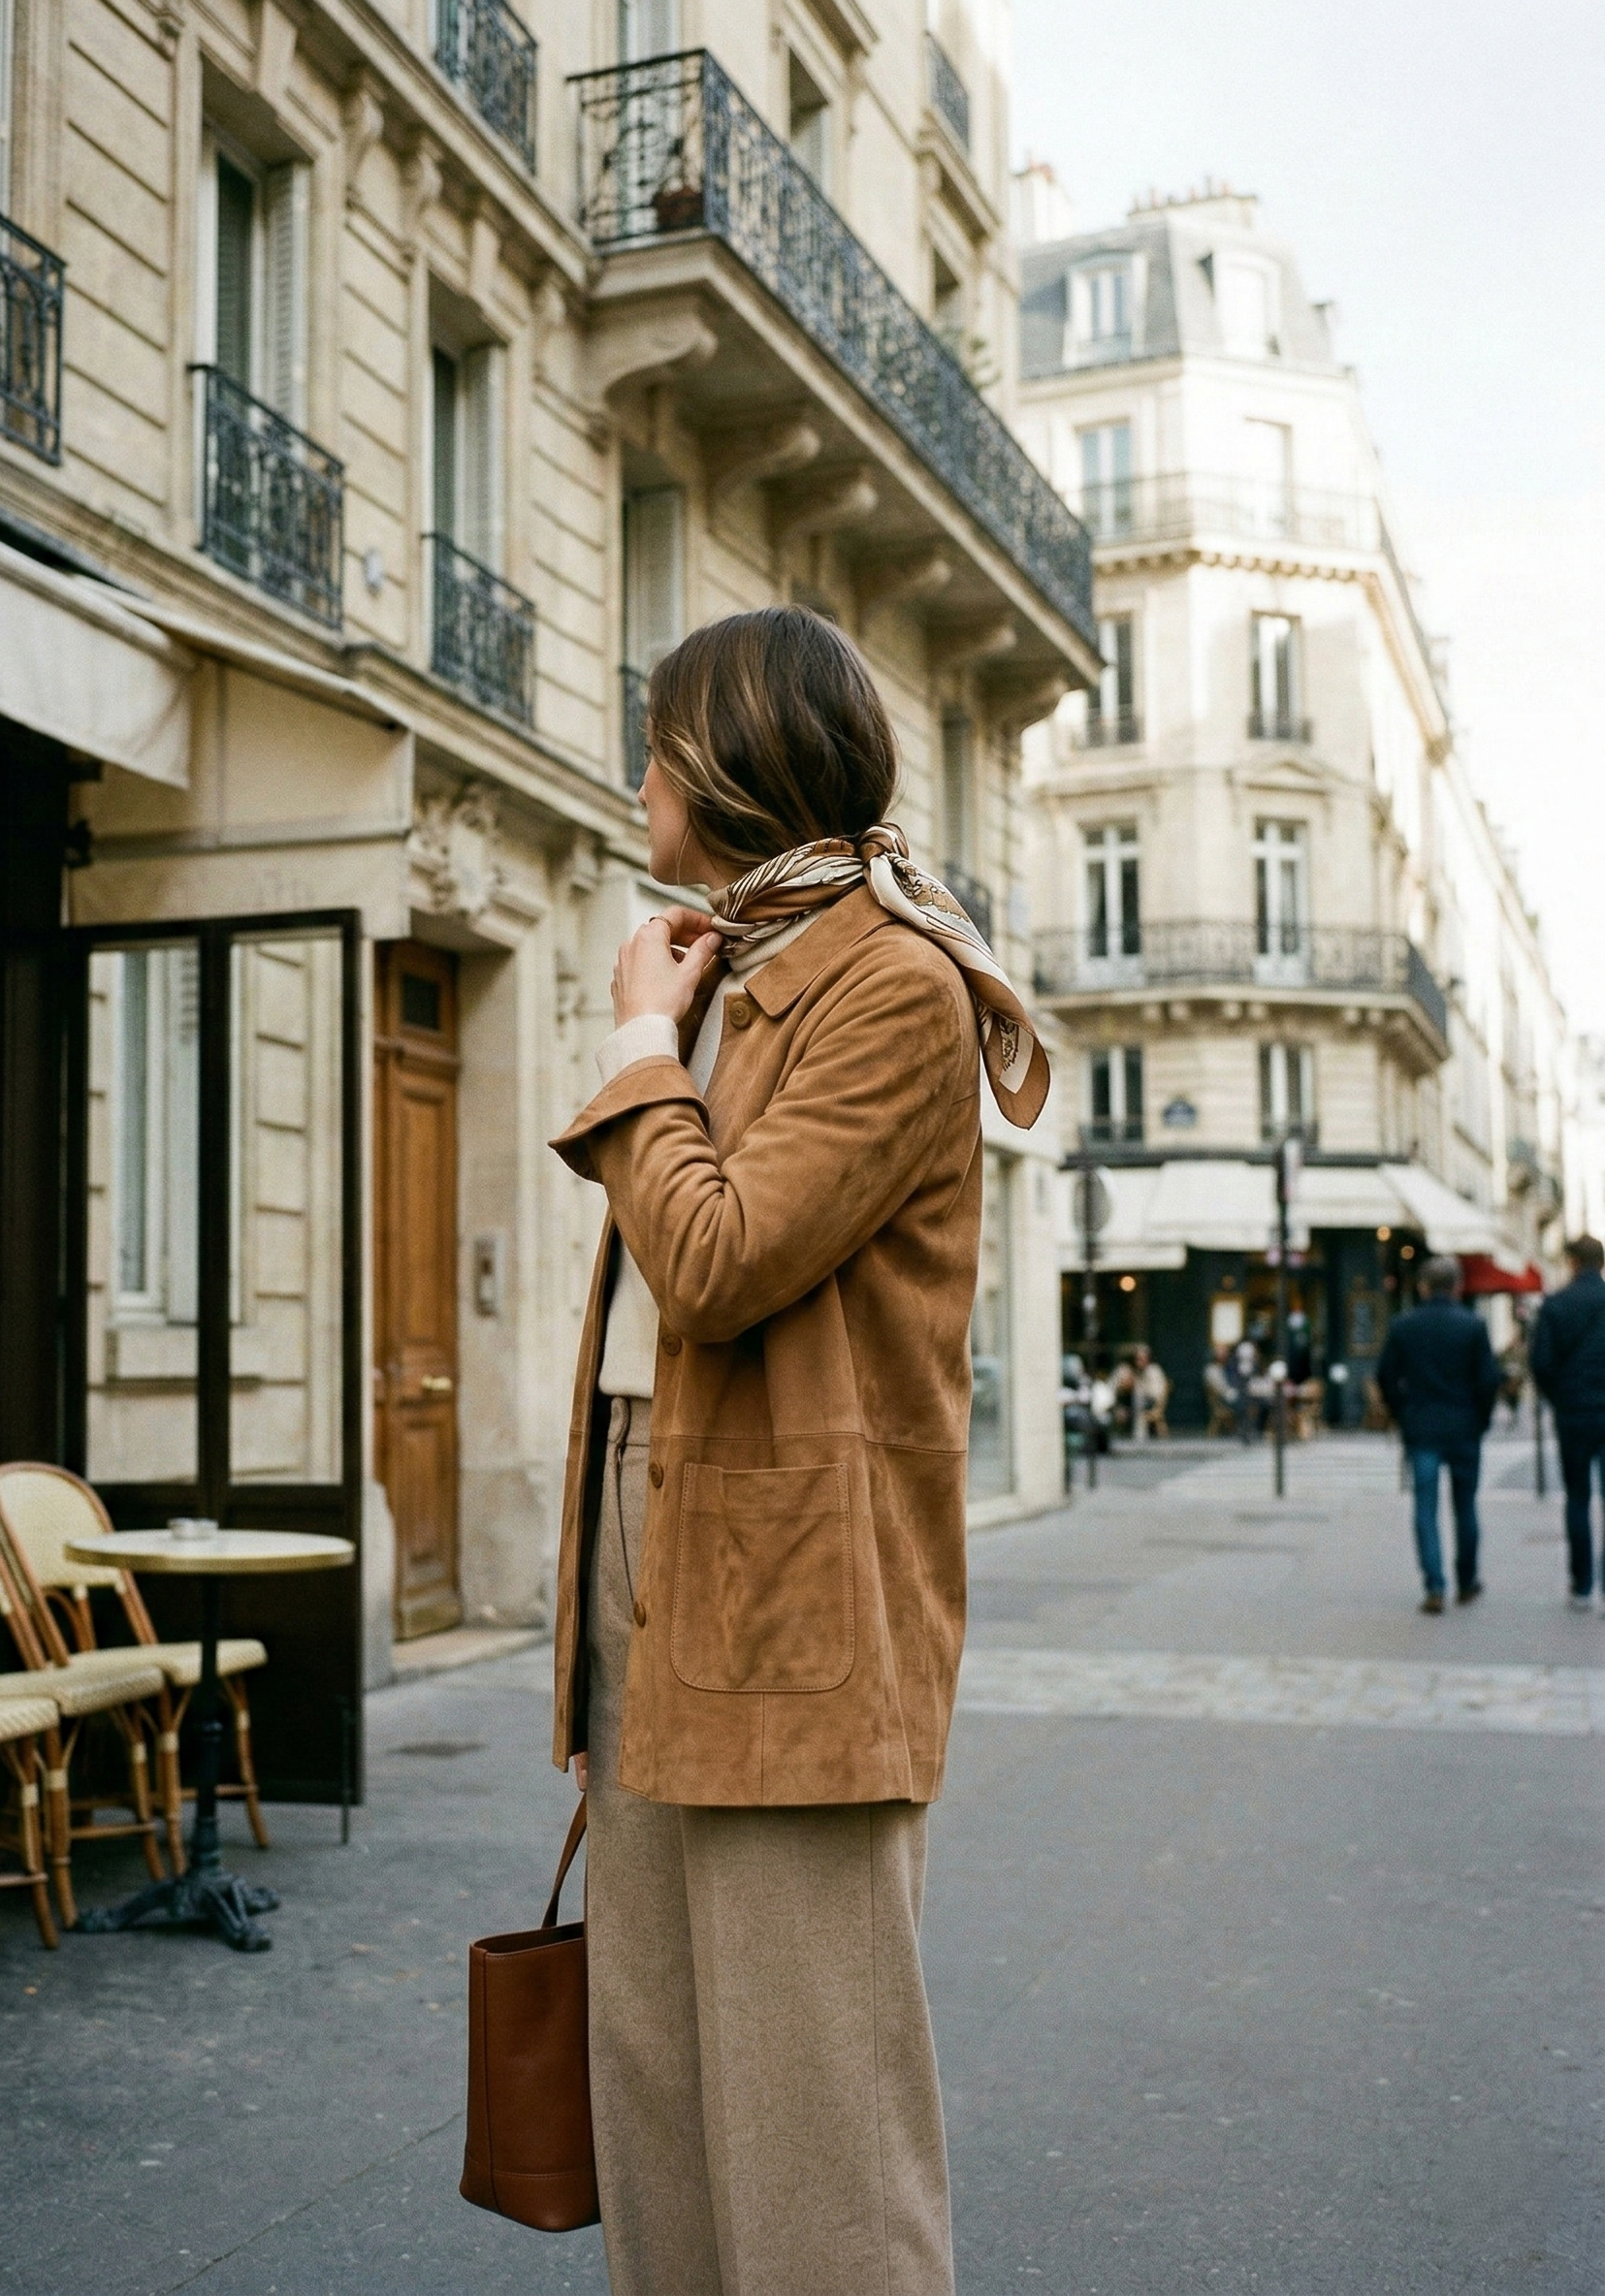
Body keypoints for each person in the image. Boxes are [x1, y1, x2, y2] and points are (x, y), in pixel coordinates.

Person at [546, 606, 1049, 2296]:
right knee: (662, 2081)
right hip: (651, 1533)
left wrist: (634, 1041)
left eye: (659, 741)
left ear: (727, 762)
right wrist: (663, 1023)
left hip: (799, 1587)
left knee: (815, 2112)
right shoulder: (729, 967)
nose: (637, 774)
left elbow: (715, 1255)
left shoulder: (890, 984)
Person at [1375, 1256, 1501, 1612]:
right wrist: (1481, 1419)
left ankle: (1434, 1585)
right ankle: (1466, 1580)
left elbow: (1386, 1376)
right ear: (1457, 1287)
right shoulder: (1473, 1326)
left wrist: (1403, 1412)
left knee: (1425, 1509)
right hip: (1464, 1426)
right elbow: (1487, 1380)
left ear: (1423, 1287)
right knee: (1466, 1507)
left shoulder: (1404, 1325)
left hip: (1422, 1426)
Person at [1530, 1234, 1605, 1611]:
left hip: (1574, 1412)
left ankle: (1582, 1585)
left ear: (1573, 1263)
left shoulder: (1556, 1305)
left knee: (1577, 1498)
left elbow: (1540, 1362)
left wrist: (1560, 1396)